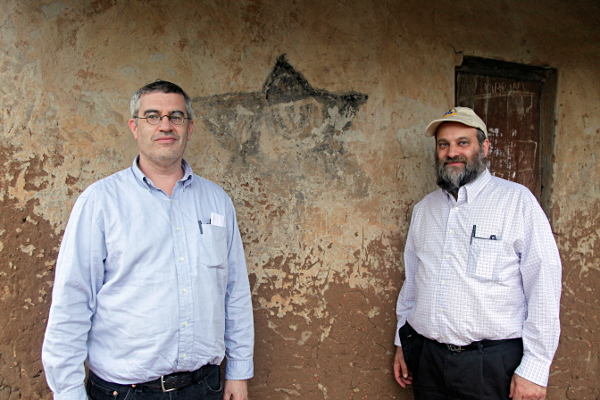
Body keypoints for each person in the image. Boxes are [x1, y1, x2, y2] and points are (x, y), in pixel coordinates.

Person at [42, 80, 254, 400]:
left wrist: (238, 372)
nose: (165, 125)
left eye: (176, 116)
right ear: (134, 127)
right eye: (152, 116)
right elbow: (72, 302)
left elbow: (234, 291)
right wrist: (68, 392)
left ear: (189, 127)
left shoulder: (217, 201)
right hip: (125, 392)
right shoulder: (100, 202)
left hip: (204, 387)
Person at [393, 107, 561, 400]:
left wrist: (534, 369)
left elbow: (544, 285)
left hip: (491, 366)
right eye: (443, 144)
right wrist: (402, 342)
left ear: (484, 147)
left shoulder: (516, 202)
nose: (451, 152)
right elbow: (413, 283)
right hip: (427, 360)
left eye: (463, 142)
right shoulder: (425, 209)